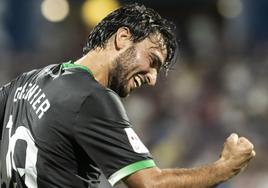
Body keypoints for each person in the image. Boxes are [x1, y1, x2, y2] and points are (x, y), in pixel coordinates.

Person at [0, 3, 255, 188]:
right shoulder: (91, 97)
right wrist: (224, 168)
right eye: (152, 61)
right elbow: (150, 184)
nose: (153, 79)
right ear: (123, 38)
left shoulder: (27, 81)